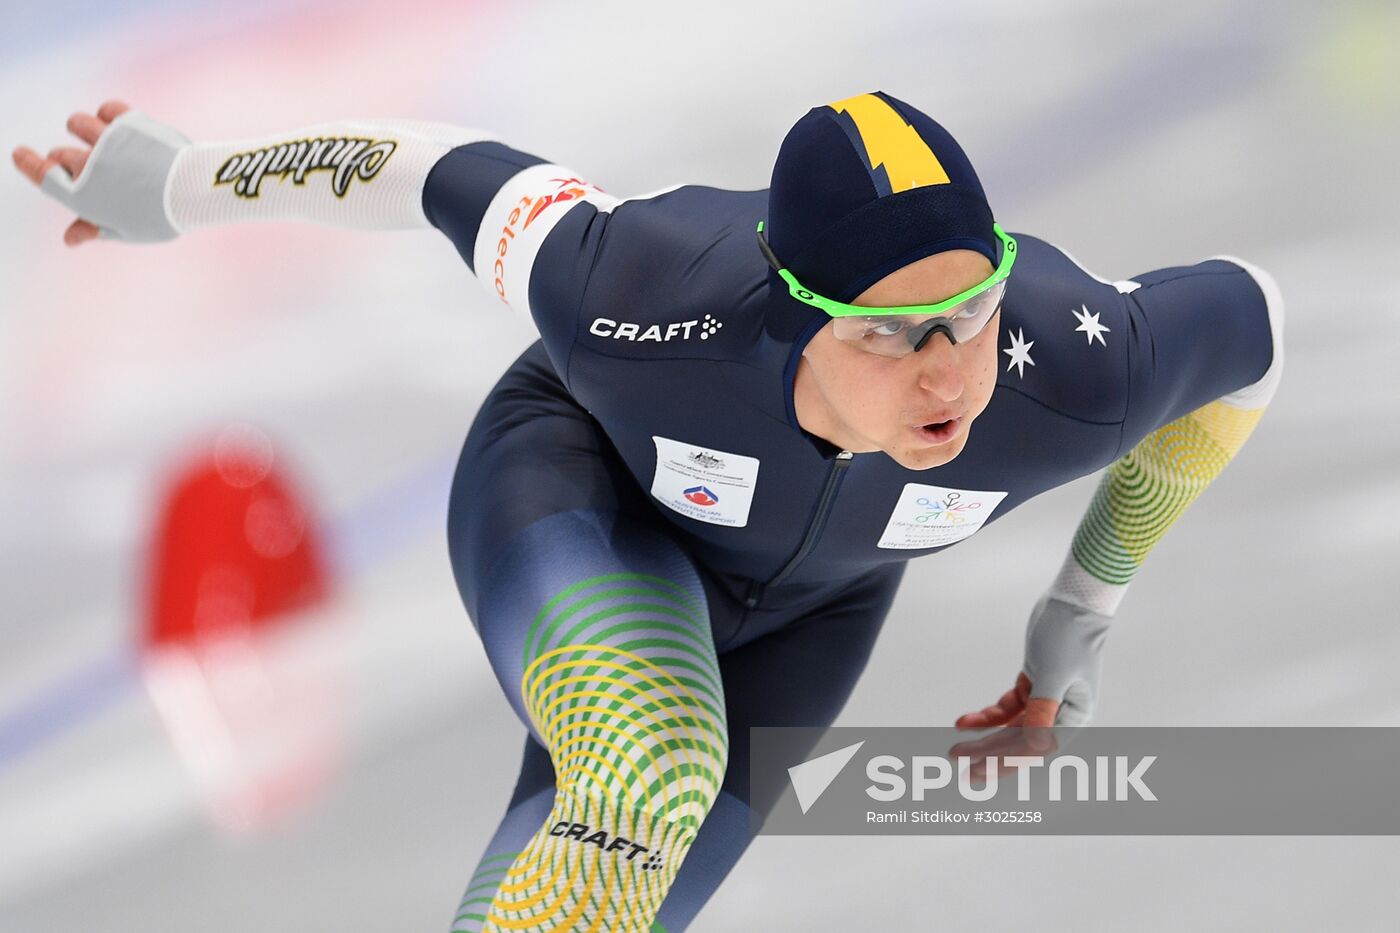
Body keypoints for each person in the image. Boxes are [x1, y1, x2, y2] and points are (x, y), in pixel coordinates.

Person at [13, 90, 1283, 932]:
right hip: (576, 496)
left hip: (809, 616)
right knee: (648, 766)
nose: (948, 371)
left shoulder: (1076, 365)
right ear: (792, 311)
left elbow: (1257, 332)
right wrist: (175, 183)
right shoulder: (640, 293)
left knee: (598, 900)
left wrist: (1078, 614)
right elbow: (426, 172)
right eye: (891, 336)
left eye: (968, 311)